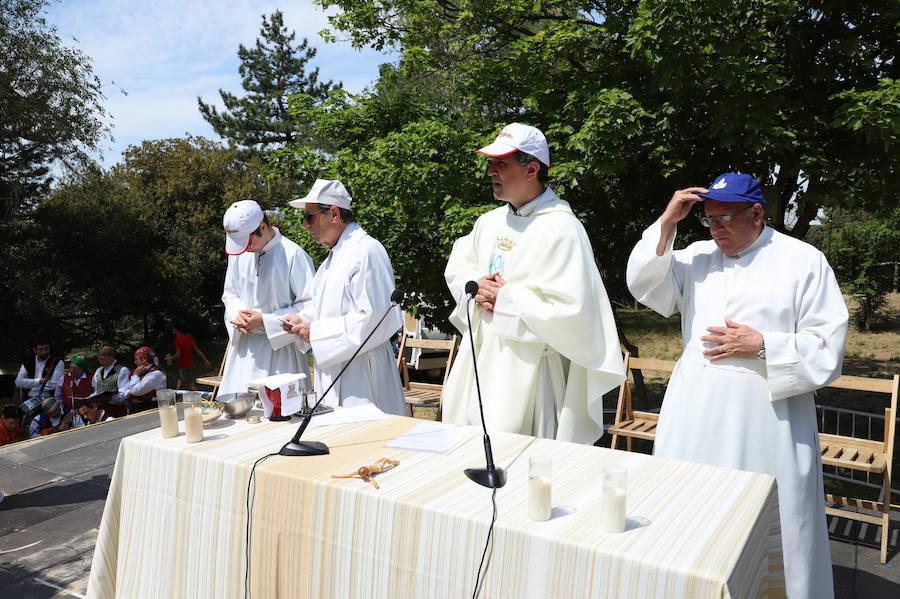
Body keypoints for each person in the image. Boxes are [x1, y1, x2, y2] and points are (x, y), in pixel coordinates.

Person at [626, 172, 847, 599]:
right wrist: (668, 223)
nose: (717, 229)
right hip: (696, 410)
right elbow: (645, 284)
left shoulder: (802, 260)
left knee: (768, 517)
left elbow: (827, 345)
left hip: (766, 413)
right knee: (689, 509)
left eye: (726, 219)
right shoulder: (696, 257)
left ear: (758, 213)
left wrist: (765, 344)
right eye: (709, 220)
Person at [441, 123, 626, 443]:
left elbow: (574, 311)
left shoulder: (562, 228)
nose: (491, 171)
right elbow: (459, 269)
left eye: (501, 163)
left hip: (532, 374)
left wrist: (507, 299)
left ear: (532, 169)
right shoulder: (489, 222)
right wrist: (476, 288)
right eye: (491, 163)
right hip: (481, 360)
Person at [282, 180, 405, 415]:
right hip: (334, 370)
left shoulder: (366, 251)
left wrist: (315, 331)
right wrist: (300, 320)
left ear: (334, 214)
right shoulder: (334, 256)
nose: (305, 226)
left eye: (309, 217)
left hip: (363, 377)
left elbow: (374, 319)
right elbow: (320, 307)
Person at [219, 200, 315, 399]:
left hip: (281, 355)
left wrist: (265, 320)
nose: (245, 249)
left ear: (262, 227)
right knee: (240, 413)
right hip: (244, 351)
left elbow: (311, 306)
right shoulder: (239, 254)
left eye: (248, 241)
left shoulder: (293, 255)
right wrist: (239, 315)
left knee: (283, 415)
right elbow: (230, 293)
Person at [164, 324, 212, 390]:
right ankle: (176, 399)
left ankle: (199, 398)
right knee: (180, 383)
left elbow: (178, 354)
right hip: (191, 364)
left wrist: (170, 358)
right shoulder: (189, 338)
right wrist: (205, 360)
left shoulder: (177, 340)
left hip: (183, 365)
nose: (172, 331)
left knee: (191, 384)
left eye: (173, 329)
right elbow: (197, 350)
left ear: (175, 330)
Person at [122, 347, 167, 414]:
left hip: (151, 410)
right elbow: (126, 388)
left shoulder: (155, 374)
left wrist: (135, 375)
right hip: (141, 409)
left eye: (136, 359)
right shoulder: (144, 371)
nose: (135, 362)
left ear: (144, 359)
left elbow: (136, 390)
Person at [92, 346, 131, 414]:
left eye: (103, 359)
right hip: (100, 409)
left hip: (117, 409)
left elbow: (125, 393)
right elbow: (95, 389)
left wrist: (110, 399)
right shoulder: (98, 371)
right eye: (99, 360)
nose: (101, 362)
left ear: (111, 357)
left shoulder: (122, 370)